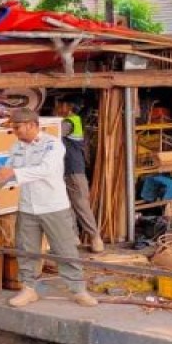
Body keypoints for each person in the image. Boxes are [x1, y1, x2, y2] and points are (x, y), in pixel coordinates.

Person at [0, 108, 98, 308]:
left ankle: (78, 290)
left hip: (53, 206)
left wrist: (13, 172)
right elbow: (8, 171)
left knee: (64, 249)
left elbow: (45, 170)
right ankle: (28, 289)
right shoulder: (16, 147)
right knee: (25, 250)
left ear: (31, 125)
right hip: (27, 207)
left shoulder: (52, 145)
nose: (14, 131)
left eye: (17, 127)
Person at [56, 97, 104, 253]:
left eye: (60, 105)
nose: (57, 108)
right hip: (64, 169)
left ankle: (95, 237)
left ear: (68, 107)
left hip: (74, 169)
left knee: (81, 204)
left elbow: (53, 133)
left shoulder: (70, 122)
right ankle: (74, 237)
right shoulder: (70, 120)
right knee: (66, 204)